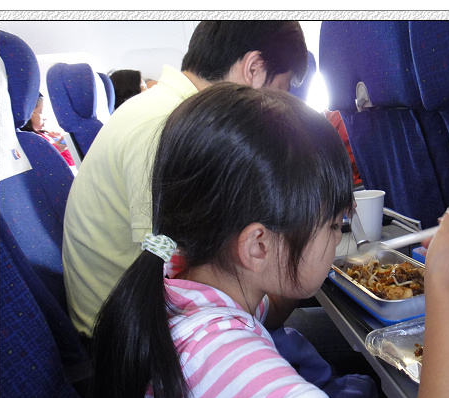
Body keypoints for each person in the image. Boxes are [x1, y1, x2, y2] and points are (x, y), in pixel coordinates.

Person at [81, 83, 449, 398]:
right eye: (334, 226)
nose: (338, 240)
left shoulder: (180, 277)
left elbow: (271, 306)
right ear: (257, 246)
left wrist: (301, 262)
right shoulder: (228, 365)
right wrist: (443, 287)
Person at [62, 21, 308, 338]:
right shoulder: (166, 126)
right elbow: (179, 275)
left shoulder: (174, 111)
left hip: (145, 318)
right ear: (254, 69)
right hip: (130, 341)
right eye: (282, 91)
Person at [20, 94, 75, 167]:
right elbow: (38, 162)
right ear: (27, 115)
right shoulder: (28, 140)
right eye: (40, 112)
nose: (45, 118)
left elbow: (70, 162)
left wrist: (63, 146)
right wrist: (55, 148)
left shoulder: (46, 135)